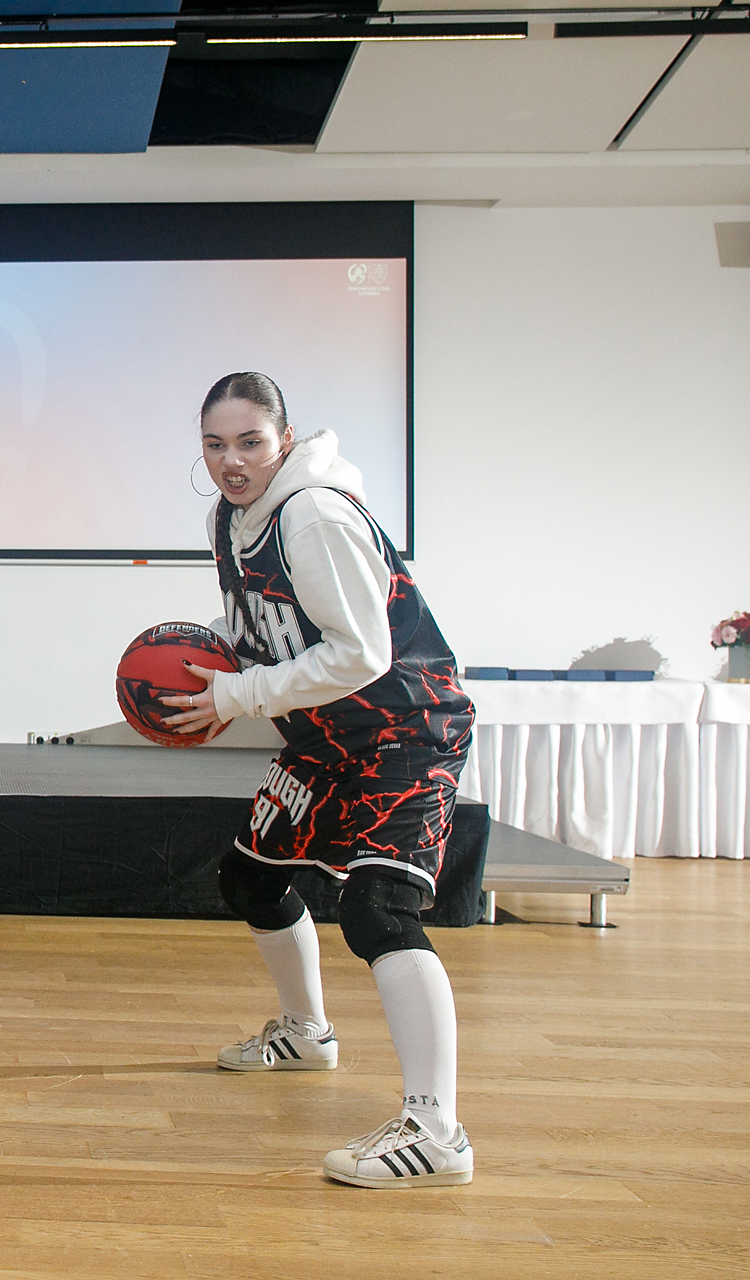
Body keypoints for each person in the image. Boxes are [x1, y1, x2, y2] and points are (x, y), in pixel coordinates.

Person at [162, 372, 476, 1189]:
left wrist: (237, 695)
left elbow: (361, 653)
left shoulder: (314, 515)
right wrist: (210, 667)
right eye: (215, 445)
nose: (232, 461)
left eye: (250, 442)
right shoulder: (230, 518)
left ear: (286, 439)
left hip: (404, 731)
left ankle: (437, 1132)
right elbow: (272, 630)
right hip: (325, 734)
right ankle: (306, 1034)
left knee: (378, 911)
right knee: (249, 878)